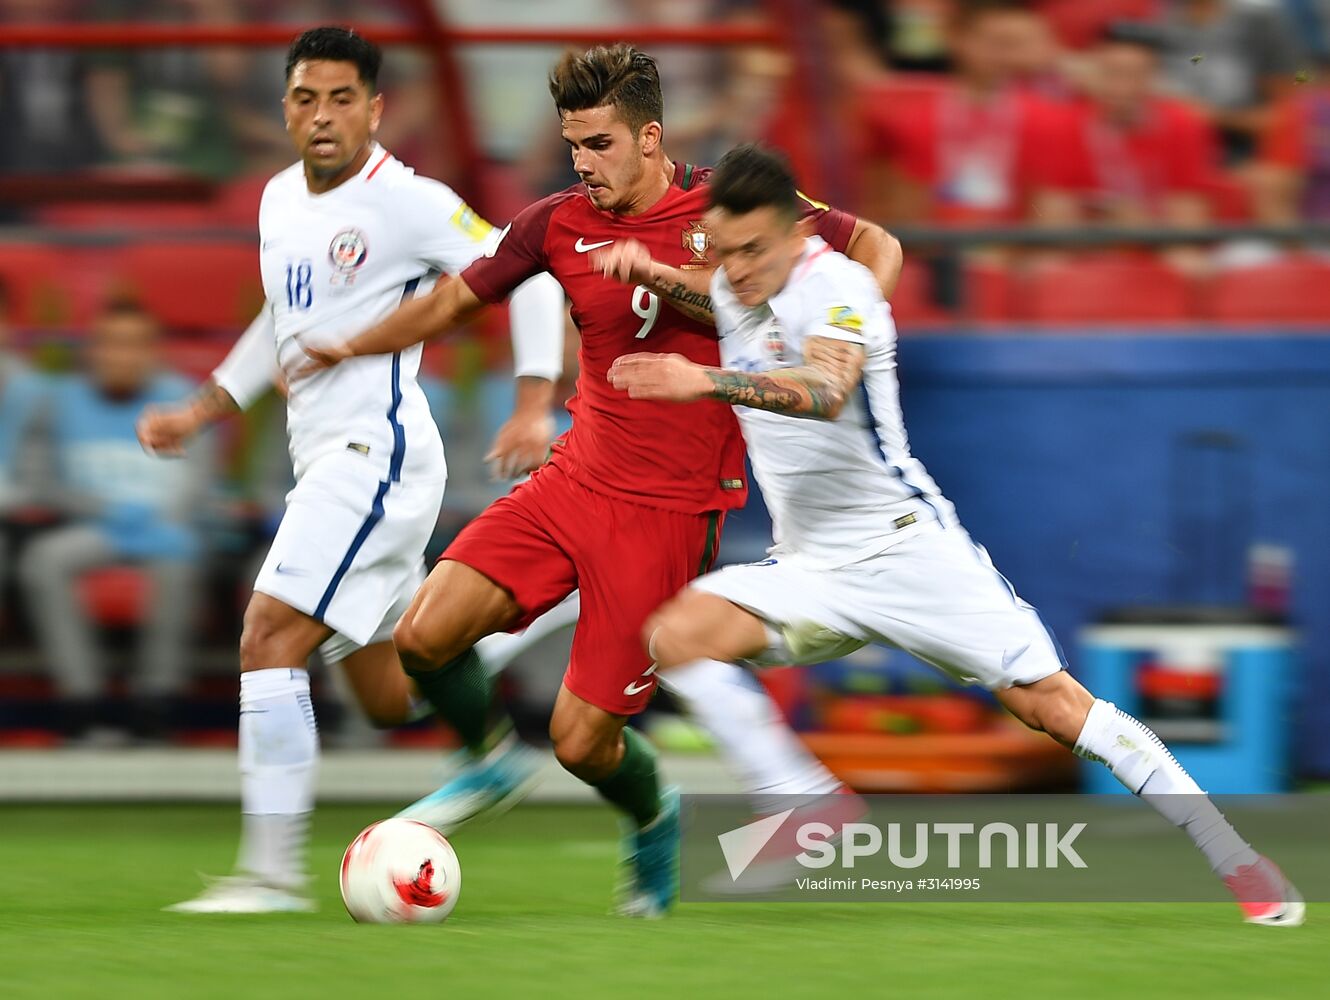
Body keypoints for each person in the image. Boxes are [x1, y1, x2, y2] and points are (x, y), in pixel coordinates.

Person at [609, 142, 1304, 928]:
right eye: (723, 251)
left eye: (751, 250)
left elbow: (829, 387)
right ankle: (806, 808)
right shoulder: (741, 286)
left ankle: (1236, 857)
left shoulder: (838, 286)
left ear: (795, 233)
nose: (734, 269)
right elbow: (718, 296)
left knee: (1054, 707)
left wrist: (701, 379)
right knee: (678, 637)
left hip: (907, 550)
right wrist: (653, 271)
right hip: (808, 565)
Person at [302, 43, 903, 917]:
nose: (583, 165)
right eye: (572, 146)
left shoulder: (731, 210)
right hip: (575, 478)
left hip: (671, 509)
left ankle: (654, 819)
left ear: (651, 136)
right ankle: (489, 762)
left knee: (583, 745)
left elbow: (875, 244)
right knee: (424, 637)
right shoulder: (556, 223)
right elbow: (455, 299)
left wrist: (848, 330)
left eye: (600, 145)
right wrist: (352, 344)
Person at [136, 26, 565, 914]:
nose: (322, 116)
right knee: (389, 692)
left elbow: (527, 276)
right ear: (285, 108)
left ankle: (269, 876)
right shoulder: (277, 201)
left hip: (378, 459)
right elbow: (282, 326)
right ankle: (505, 705)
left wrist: (532, 401)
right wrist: (203, 408)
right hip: (324, 462)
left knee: (268, 637)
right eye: (305, 98)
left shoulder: (408, 202)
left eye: (342, 99)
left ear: (375, 109)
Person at [21, 299, 203, 742]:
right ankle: (82, 701)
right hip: (92, 526)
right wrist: (102, 511)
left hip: (166, 529)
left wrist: (162, 521)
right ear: (92, 351)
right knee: (42, 560)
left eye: (134, 345)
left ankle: (155, 703)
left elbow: (200, 481)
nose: (121, 355)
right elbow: (38, 478)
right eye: (110, 344)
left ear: (153, 351)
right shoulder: (57, 402)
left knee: (181, 562)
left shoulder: (185, 400)